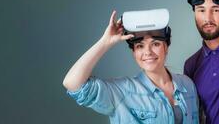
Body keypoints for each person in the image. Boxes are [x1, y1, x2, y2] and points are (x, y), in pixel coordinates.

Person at [63, 9, 199, 124]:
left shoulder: (187, 85)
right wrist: (105, 42)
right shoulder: (122, 92)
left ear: (166, 47)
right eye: (140, 46)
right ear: (134, 52)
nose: (148, 52)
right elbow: (72, 83)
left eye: (155, 44)